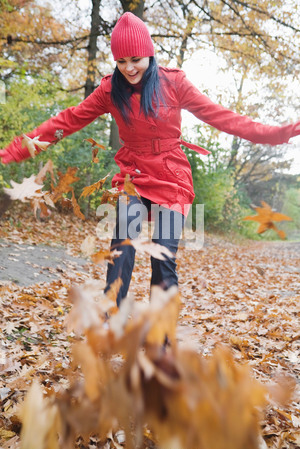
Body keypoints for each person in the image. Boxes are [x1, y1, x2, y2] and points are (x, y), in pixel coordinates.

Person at [1, 12, 299, 307]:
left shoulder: (174, 83)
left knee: (163, 258)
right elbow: (68, 120)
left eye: (136, 59)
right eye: (121, 61)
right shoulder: (109, 90)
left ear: (149, 55)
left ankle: (163, 335)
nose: (129, 68)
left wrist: (276, 134)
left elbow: (224, 118)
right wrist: (15, 151)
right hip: (134, 174)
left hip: (171, 177)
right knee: (122, 245)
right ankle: (109, 322)